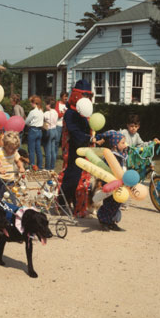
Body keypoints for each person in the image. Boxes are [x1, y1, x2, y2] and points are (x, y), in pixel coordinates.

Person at [59, 80, 102, 216]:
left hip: (85, 150)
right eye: (84, 95)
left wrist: (96, 137)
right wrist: (88, 139)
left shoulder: (85, 113)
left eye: (89, 96)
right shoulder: (70, 113)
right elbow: (73, 131)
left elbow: (91, 128)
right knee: (72, 177)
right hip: (73, 150)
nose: (87, 99)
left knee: (84, 179)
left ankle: (80, 207)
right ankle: (62, 203)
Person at [96, 130, 128, 231]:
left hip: (119, 182)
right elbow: (103, 169)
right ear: (115, 145)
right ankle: (103, 220)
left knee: (117, 202)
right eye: (122, 143)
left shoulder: (121, 154)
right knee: (109, 202)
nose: (125, 144)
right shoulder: (110, 155)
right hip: (109, 183)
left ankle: (111, 221)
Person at [0, 131, 25, 202]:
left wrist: (21, 167)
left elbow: (18, 161)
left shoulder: (15, 152)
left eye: (15, 149)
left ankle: (12, 210)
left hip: (10, 180)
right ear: (5, 145)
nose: (14, 151)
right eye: (12, 148)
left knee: (12, 200)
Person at [25, 95, 44, 169]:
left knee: (31, 150)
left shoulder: (32, 112)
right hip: (39, 131)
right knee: (38, 149)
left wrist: (29, 123)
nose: (30, 104)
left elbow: (26, 122)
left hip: (33, 130)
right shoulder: (41, 111)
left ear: (34, 103)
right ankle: (40, 166)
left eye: (31, 102)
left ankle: (32, 165)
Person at [42, 97, 58, 170]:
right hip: (55, 130)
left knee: (48, 151)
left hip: (49, 130)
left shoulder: (46, 113)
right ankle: (52, 167)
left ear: (49, 105)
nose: (45, 106)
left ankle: (47, 167)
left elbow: (43, 121)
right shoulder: (56, 112)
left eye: (46, 104)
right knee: (53, 151)